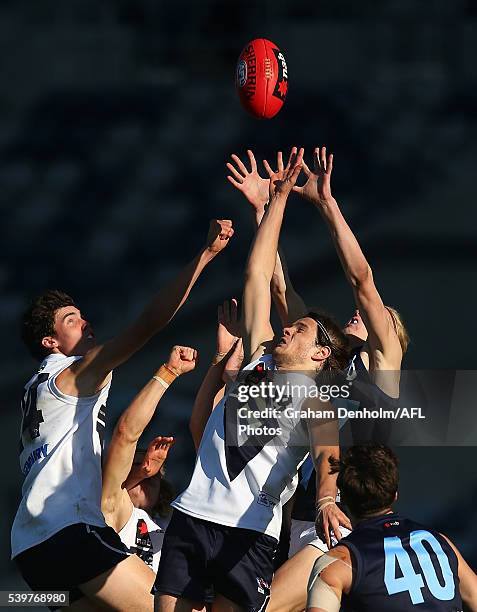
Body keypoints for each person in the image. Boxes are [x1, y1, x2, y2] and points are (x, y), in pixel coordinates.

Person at [154, 150, 351, 612]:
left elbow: (328, 456)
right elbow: (258, 275)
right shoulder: (259, 357)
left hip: (250, 535)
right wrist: (275, 200)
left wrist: (325, 500)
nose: (288, 328)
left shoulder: (318, 402)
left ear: (320, 352)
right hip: (191, 514)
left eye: (299, 329)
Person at [12, 219, 233, 611]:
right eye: (71, 321)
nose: (85, 322)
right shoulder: (74, 374)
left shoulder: (36, 388)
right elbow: (149, 324)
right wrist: (205, 256)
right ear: (50, 342)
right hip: (69, 532)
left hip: (31, 550)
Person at [226, 147, 409, 612]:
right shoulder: (321, 362)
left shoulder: (381, 370)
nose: (360, 313)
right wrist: (264, 209)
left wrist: (327, 204)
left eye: (375, 317)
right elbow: (279, 288)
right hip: (296, 512)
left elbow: (362, 280)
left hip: (343, 517)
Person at [306, 444, 477, 612]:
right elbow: (473, 596)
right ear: (395, 494)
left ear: (343, 499)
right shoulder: (440, 543)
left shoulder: (338, 562)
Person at [101, 345, 197, 586]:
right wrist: (141, 472)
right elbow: (125, 436)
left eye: (156, 474)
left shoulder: (172, 528)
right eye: (139, 466)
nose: (149, 471)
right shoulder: (105, 510)